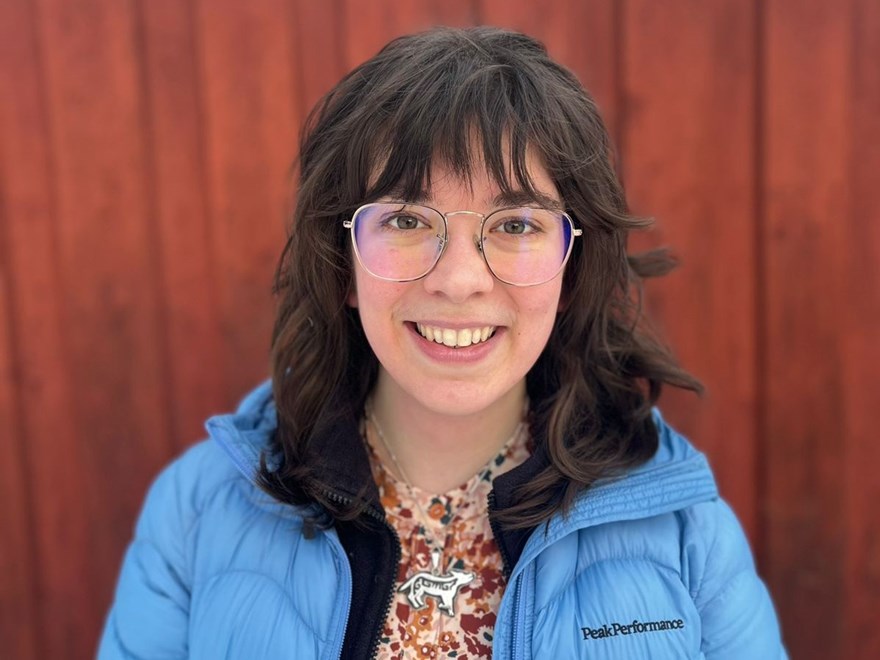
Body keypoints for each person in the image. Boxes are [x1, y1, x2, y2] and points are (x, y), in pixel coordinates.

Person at [98, 26, 786, 659]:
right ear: (342, 264)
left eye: (516, 224)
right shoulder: (195, 511)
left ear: (573, 267)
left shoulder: (685, 527)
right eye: (405, 218)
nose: (459, 280)